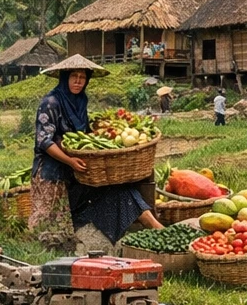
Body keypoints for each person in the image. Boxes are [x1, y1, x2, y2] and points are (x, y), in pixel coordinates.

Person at [28, 54, 163, 254]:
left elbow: (85, 133)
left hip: (80, 171)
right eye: (73, 76)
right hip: (54, 173)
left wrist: (105, 138)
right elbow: (44, 141)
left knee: (120, 191)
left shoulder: (81, 101)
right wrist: (70, 161)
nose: (78, 82)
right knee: (51, 233)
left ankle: (156, 228)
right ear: (65, 77)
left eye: (82, 78)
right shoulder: (51, 102)